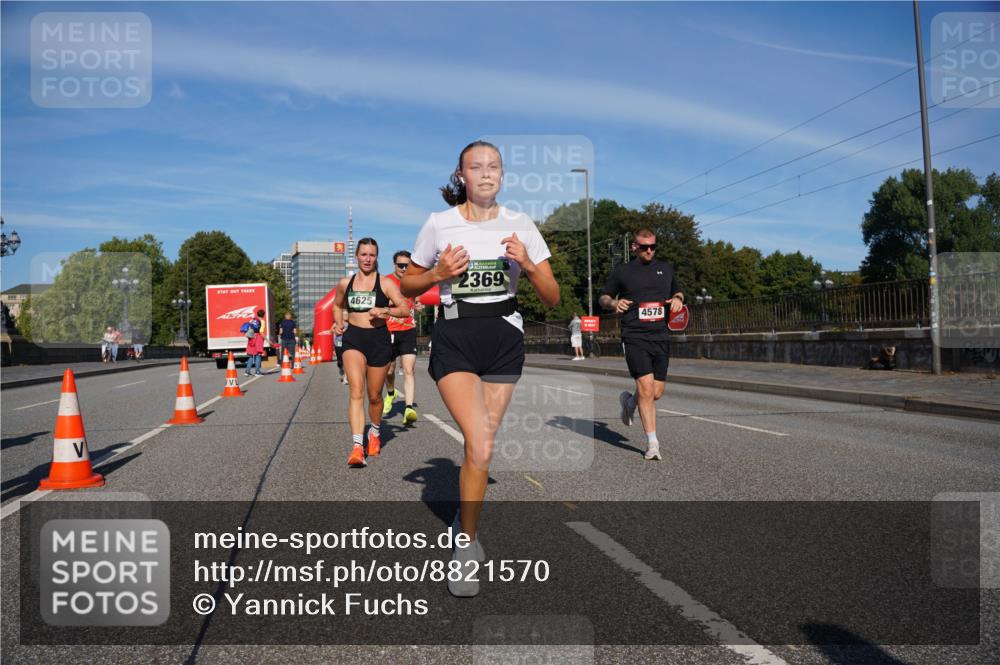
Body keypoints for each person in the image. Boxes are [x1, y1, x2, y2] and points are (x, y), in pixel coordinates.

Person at [402, 140, 559, 597]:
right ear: (461, 176)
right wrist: (437, 274)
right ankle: (466, 546)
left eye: (494, 167)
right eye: (477, 167)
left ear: (502, 175)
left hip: (505, 340)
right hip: (455, 337)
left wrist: (527, 264)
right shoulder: (439, 224)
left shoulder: (521, 225)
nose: (486, 174)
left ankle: (461, 520)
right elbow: (408, 284)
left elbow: (552, 297)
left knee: (482, 446)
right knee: (482, 441)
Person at [599, 228, 684, 461]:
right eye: (644, 247)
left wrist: (677, 299)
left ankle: (629, 401)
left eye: (653, 247)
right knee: (645, 388)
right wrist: (614, 303)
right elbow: (603, 297)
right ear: (633, 247)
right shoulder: (623, 271)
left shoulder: (665, 269)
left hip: (660, 335)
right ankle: (652, 444)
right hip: (634, 334)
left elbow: (678, 291)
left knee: (655, 393)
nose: (649, 250)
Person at [332, 238, 410, 467]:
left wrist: (385, 310)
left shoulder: (385, 284)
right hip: (353, 339)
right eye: (363, 254)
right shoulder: (345, 283)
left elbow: (404, 309)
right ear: (356, 256)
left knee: (375, 396)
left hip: (379, 341)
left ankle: (374, 432)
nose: (367, 259)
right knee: (357, 391)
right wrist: (338, 323)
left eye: (372, 255)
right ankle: (357, 447)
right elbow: (338, 305)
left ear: (377, 257)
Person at [382, 250, 422, 426]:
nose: (404, 268)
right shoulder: (386, 281)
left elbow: (418, 299)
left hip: (408, 330)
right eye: (401, 265)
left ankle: (408, 409)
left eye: (407, 265)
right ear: (394, 265)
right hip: (389, 330)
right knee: (389, 371)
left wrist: (418, 304)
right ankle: (391, 393)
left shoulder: (413, 282)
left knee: (408, 370)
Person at [243, 309, 265, 376]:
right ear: (263, 315)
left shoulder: (253, 320)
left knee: (250, 356)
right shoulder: (262, 321)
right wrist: (265, 338)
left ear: (257, 314)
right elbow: (261, 331)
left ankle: (247, 371)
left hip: (251, 338)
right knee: (258, 355)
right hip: (258, 338)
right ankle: (257, 372)